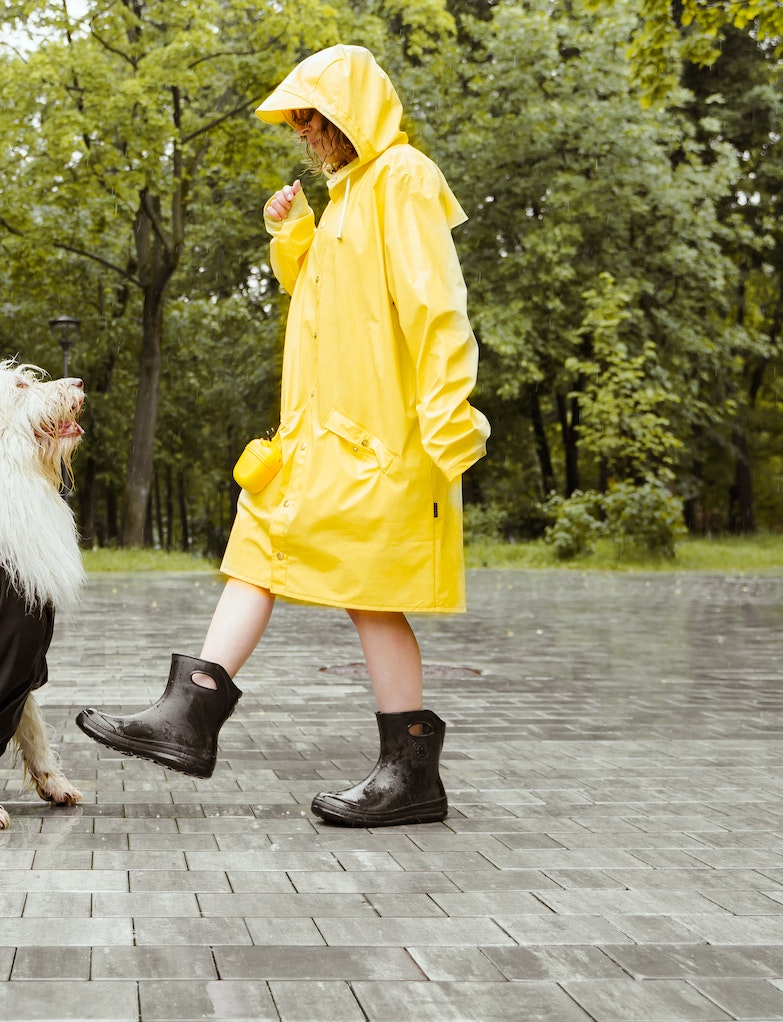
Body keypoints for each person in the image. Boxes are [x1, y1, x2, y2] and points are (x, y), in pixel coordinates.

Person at [77, 43, 489, 826]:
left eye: (311, 119)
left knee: (370, 598)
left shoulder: (401, 179)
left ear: (346, 116)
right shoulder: (350, 195)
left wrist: (448, 414)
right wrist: (295, 231)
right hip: (320, 438)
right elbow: (326, 291)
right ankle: (190, 716)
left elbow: (437, 305)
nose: (302, 133)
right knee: (258, 547)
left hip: (383, 439)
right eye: (298, 121)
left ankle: (409, 774)